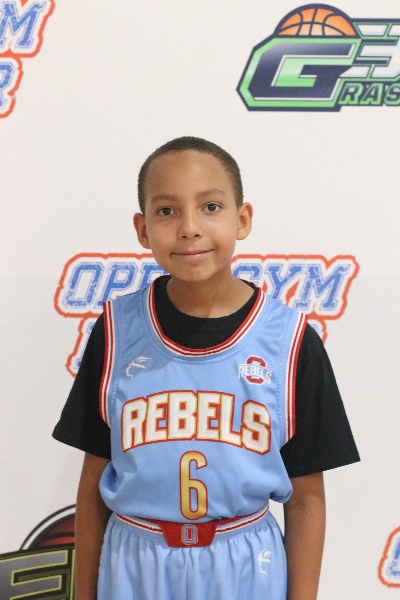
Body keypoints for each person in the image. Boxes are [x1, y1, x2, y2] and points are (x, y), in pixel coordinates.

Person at [53, 136, 360, 600]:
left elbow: (306, 500)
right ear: (142, 229)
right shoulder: (117, 331)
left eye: (211, 206)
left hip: (244, 562)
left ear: (243, 219)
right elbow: (93, 483)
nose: (190, 228)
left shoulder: (290, 341)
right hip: (135, 560)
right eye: (167, 211)